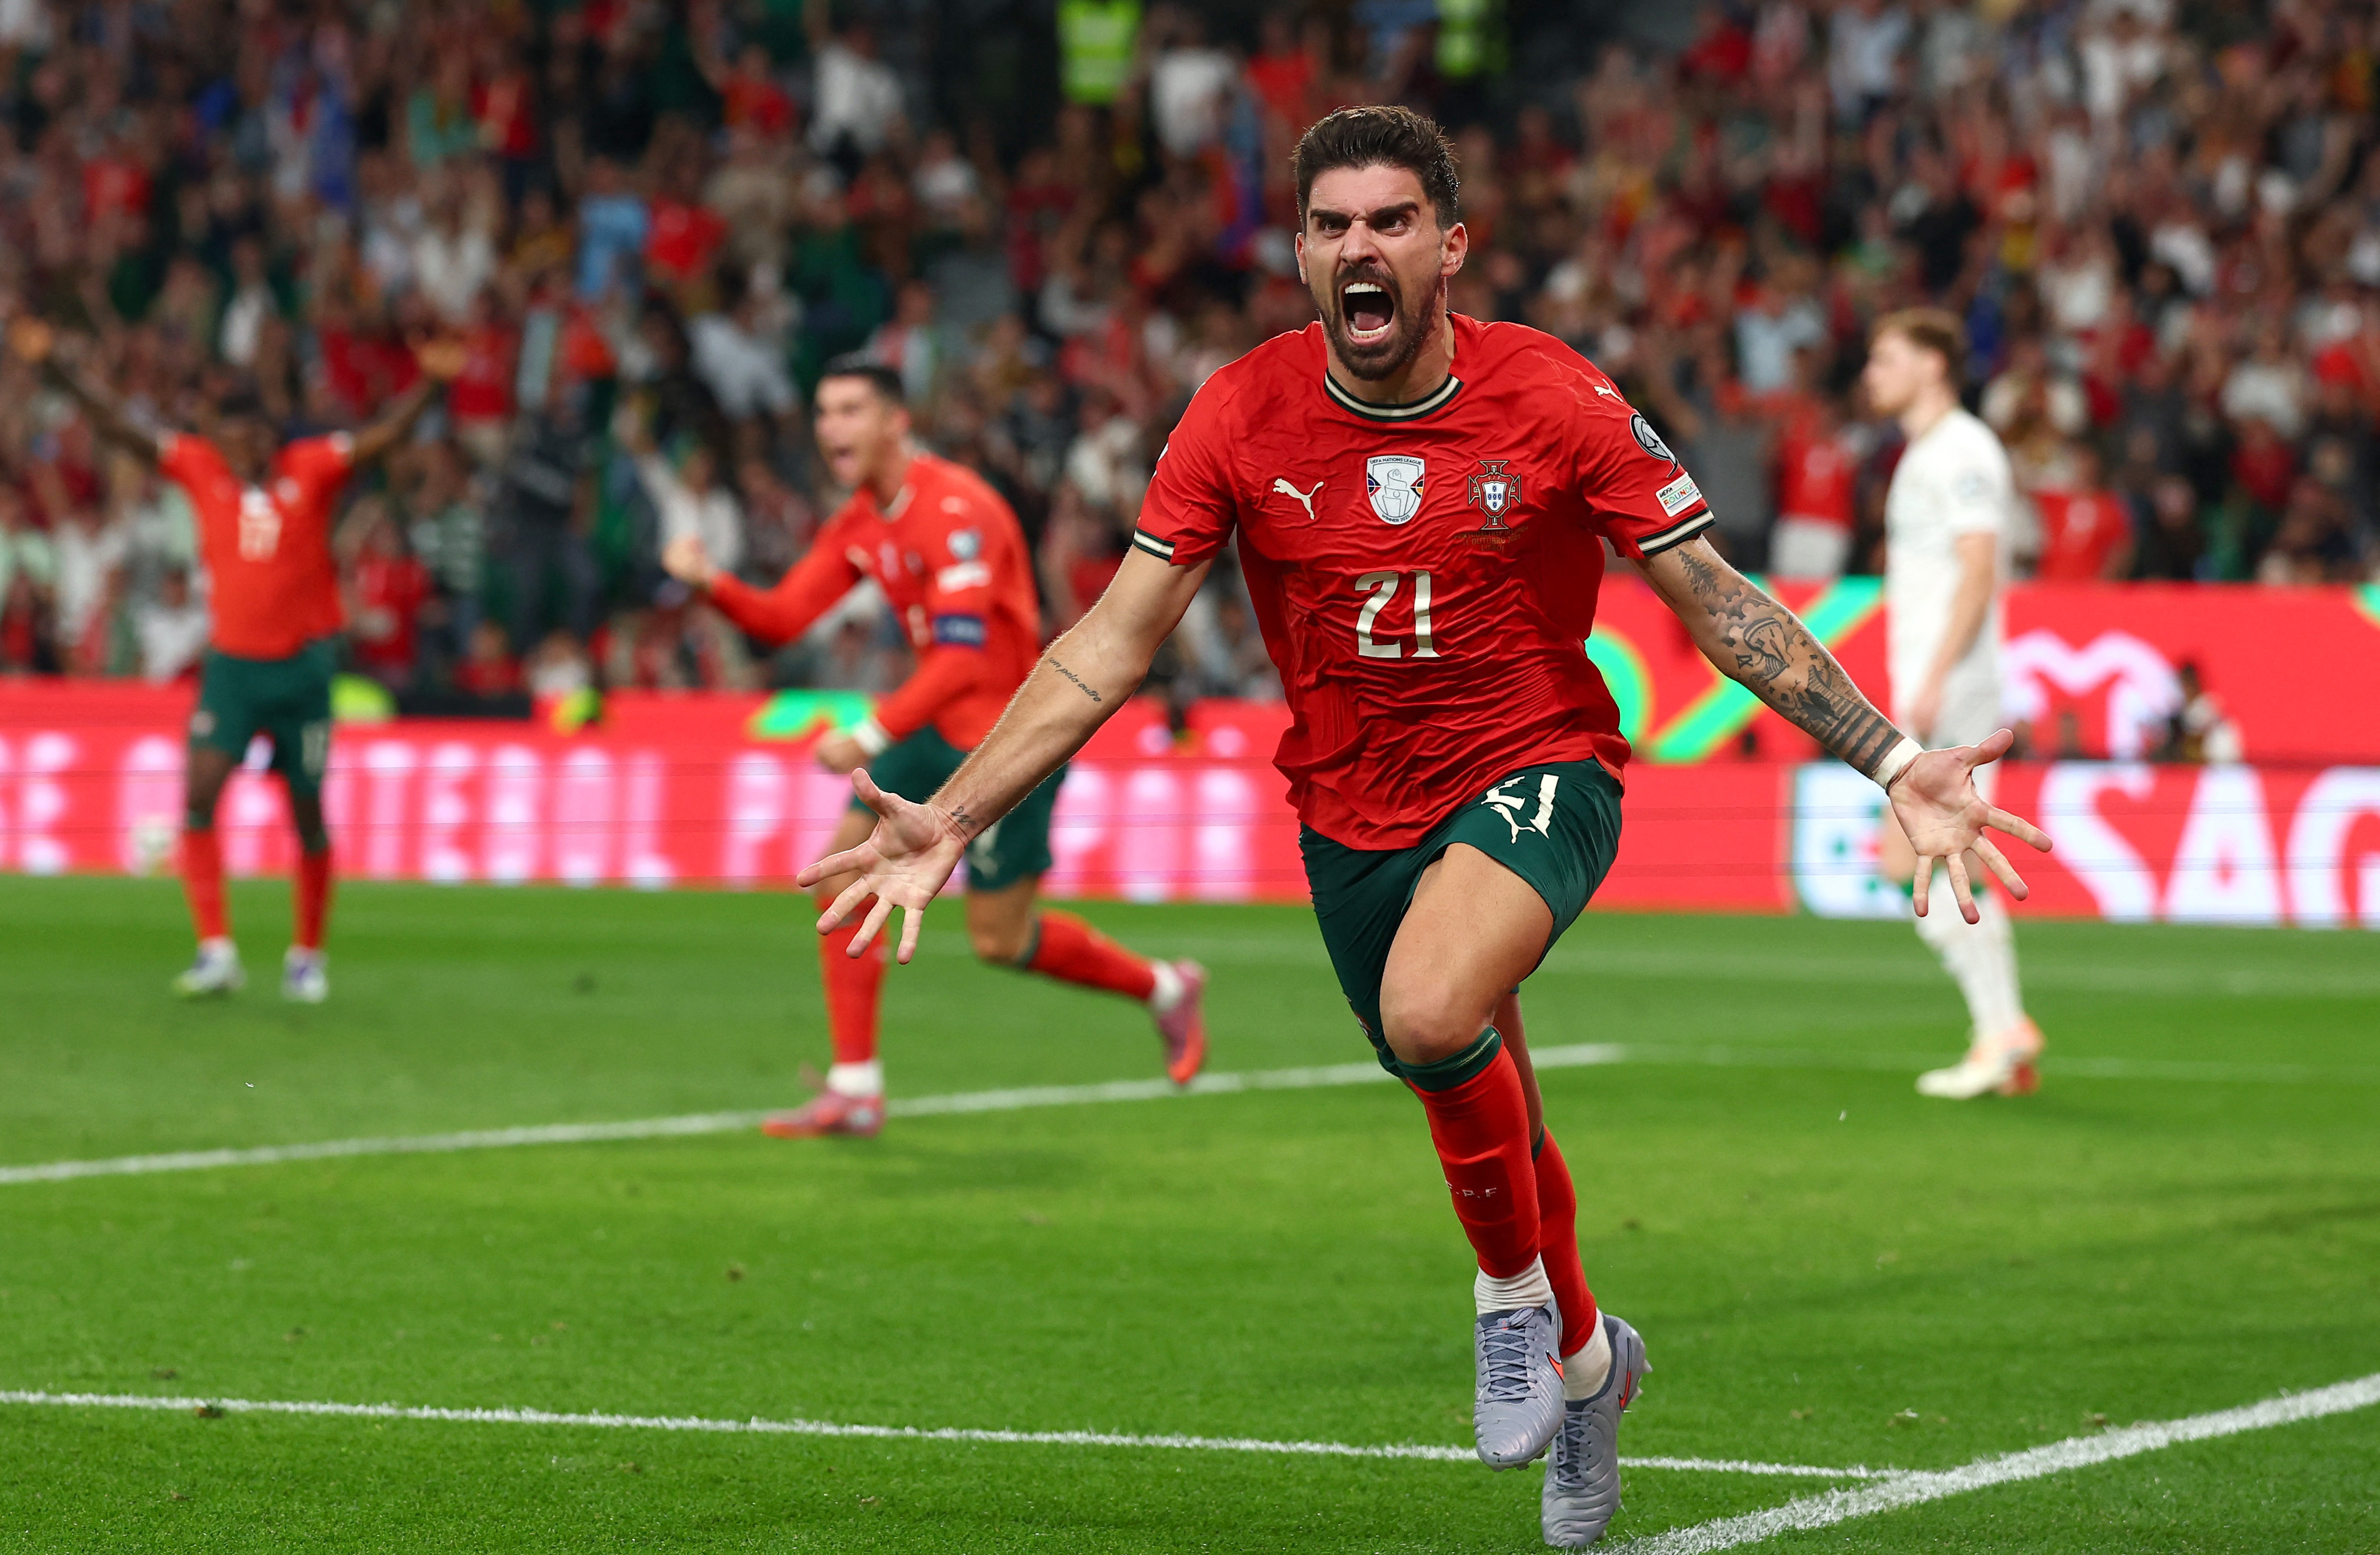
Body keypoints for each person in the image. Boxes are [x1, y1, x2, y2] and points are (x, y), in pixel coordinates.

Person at [796, 108, 2049, 1550]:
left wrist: (1888, 757)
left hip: (1539, 764)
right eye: (1331, 226)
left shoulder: (1559, 397)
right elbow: (1109, 642)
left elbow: (1715, 599)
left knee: (1433, 1003)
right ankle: (1589, 1365)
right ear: (1302, 254)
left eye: (1389, 221)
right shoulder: (1238, 413)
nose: (1358, 249)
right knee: (1471, 1069)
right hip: (1348, 804)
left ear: (1450, 248)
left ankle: (1509, 1298)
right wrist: (953, 813)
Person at [662, 358, 1207, 1140]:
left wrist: (870, 732)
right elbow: (783, 619)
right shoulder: (862, 519)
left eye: (851, 410)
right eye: (823, 411)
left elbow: (963, 657)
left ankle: (1165, 988)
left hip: (1012, 738)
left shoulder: (957, 512)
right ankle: (856, 1088)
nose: (831, 428)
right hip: (934, 727)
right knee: (840, 871)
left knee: (999, 940)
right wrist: (709, 579)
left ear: (894, 421)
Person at [7, 316, 465, 1002]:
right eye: (228, 436)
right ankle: (216, 951)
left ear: (269, 436)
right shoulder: (199, 466)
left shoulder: (310, 468)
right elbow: (119, 427)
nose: (238, 448)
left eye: (250, 437)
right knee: (198, 795)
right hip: (233, 669)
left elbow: (383, 439)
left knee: (307, 816)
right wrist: (55, 371)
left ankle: (307, 955)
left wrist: (430, 387)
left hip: (303, 671)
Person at [1861, 309, 2046, 1100]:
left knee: (1919, 857)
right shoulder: (1924, 456)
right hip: (1936, 684)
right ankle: (2006, 1034)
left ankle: (2000, 1028)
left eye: (1887, 357)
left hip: (1953, 687)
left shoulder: (1963, 449)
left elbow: (1979, 568)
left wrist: (1935, 674)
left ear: (1935, 364)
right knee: (1935, 854)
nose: (1872, 372)